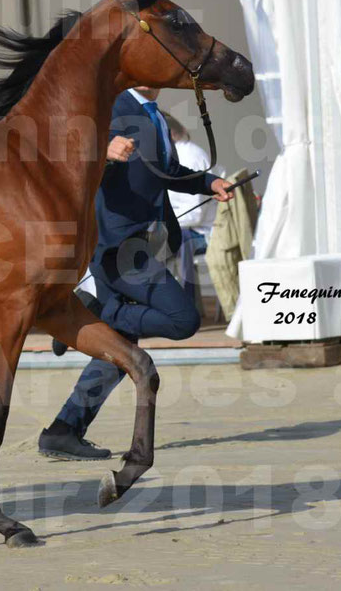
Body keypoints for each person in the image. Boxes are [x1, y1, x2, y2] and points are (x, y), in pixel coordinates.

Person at [39, 87, 233, 460]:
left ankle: (64, 430)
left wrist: (210, 182)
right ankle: (89, 313)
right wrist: (104, 151)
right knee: (184, 320)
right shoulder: (109, 103)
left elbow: (168, 173)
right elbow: (63, 146)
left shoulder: (154, 113)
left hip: (144, 243)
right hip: (118, 249)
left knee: (120, 349)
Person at [165, 114, 220, 303]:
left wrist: (163, 221)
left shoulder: (190, 157)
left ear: (169, 134)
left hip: (200, 232)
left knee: (159, 241)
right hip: (186, 226)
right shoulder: (177, 156)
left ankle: (182, 303)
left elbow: (195, 214)